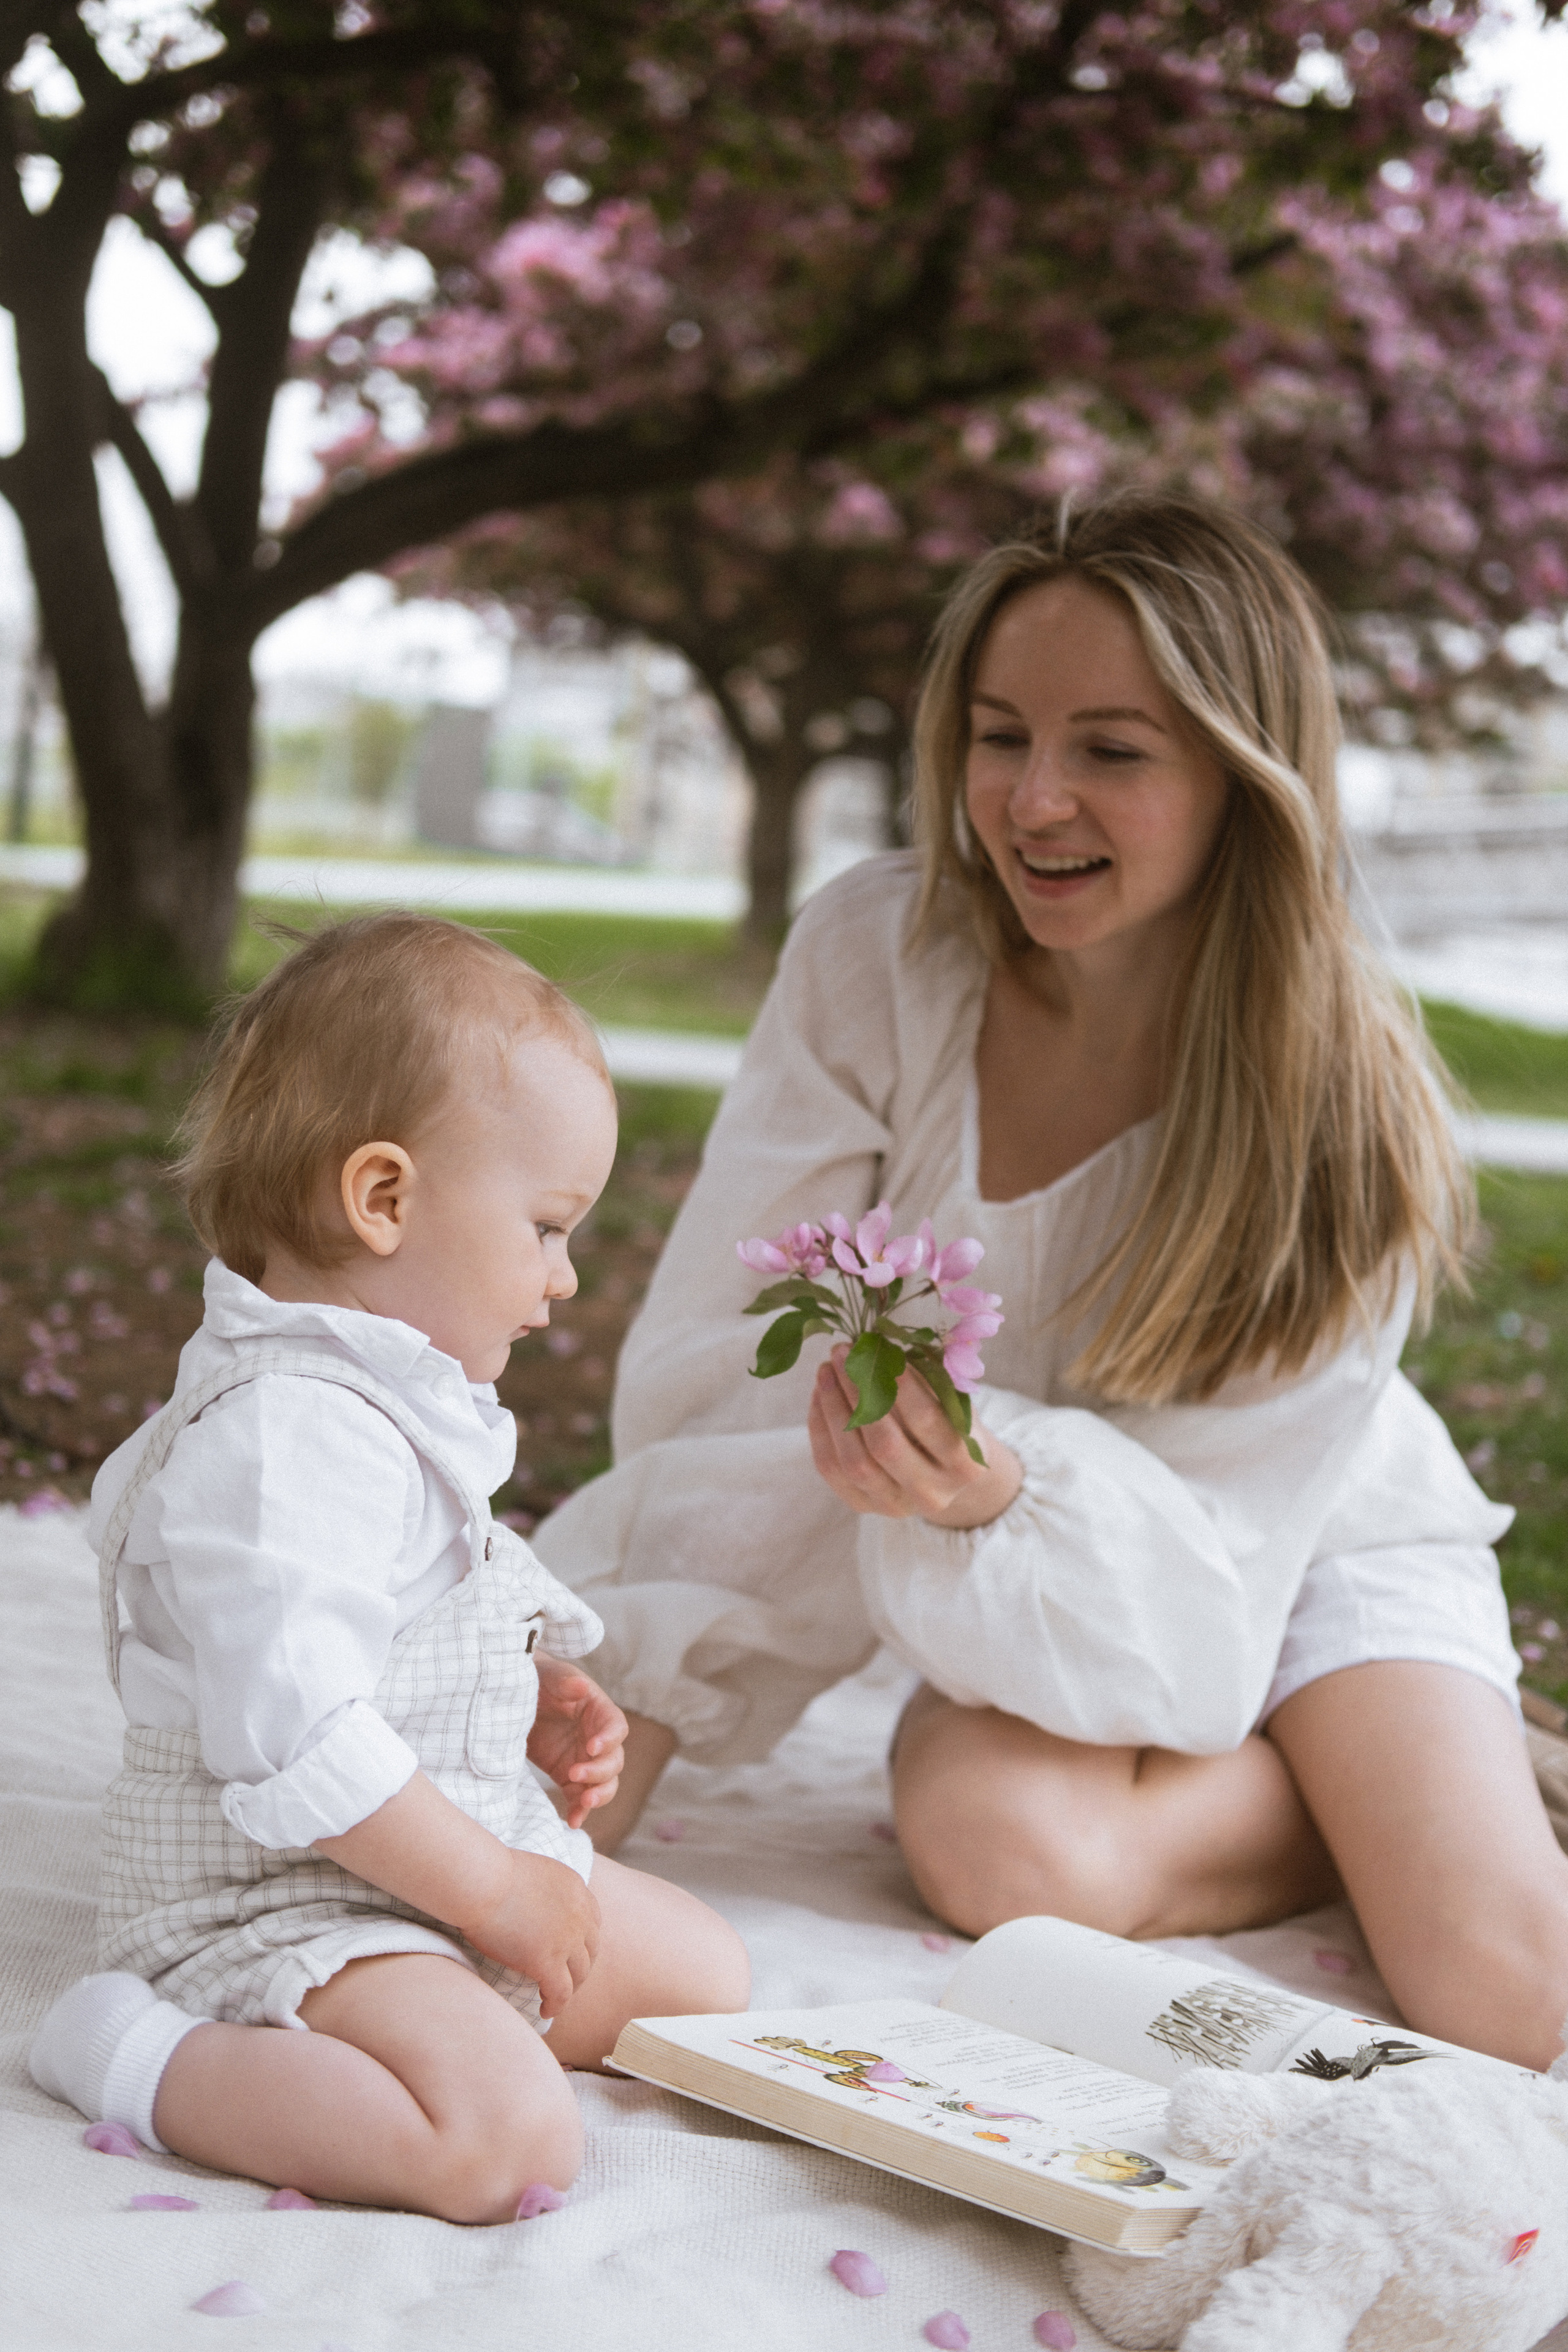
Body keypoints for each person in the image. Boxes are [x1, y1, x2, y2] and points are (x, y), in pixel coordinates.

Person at [533, 494, 1568, 2070]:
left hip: (1292, 1534)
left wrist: (1005, 1486)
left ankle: (1417, 1771)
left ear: (1240, 772)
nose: (1031, 799)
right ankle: (1347, 1805)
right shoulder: (877, 955)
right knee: (999, 1850)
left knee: (1509, 1993)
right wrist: (585, 1771)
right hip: (1034, 1574)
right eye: (997, 734)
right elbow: (722, 1385)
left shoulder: (1333, 1103)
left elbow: (1217, 1614)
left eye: (1111, 750)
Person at [27, 914, 748, 2220]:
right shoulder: (279, 1441)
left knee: (704, 1981)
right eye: (543, 1226)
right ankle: (135, 2049)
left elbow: (394, 1623)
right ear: (382, 1200)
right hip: (274, 1898)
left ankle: (426, 2010)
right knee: (505, 2149)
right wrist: (491, 1891)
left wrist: (516, 1695)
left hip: (411, 1853)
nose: (565, 1276)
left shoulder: (380, 1401)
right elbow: (293, 1733)